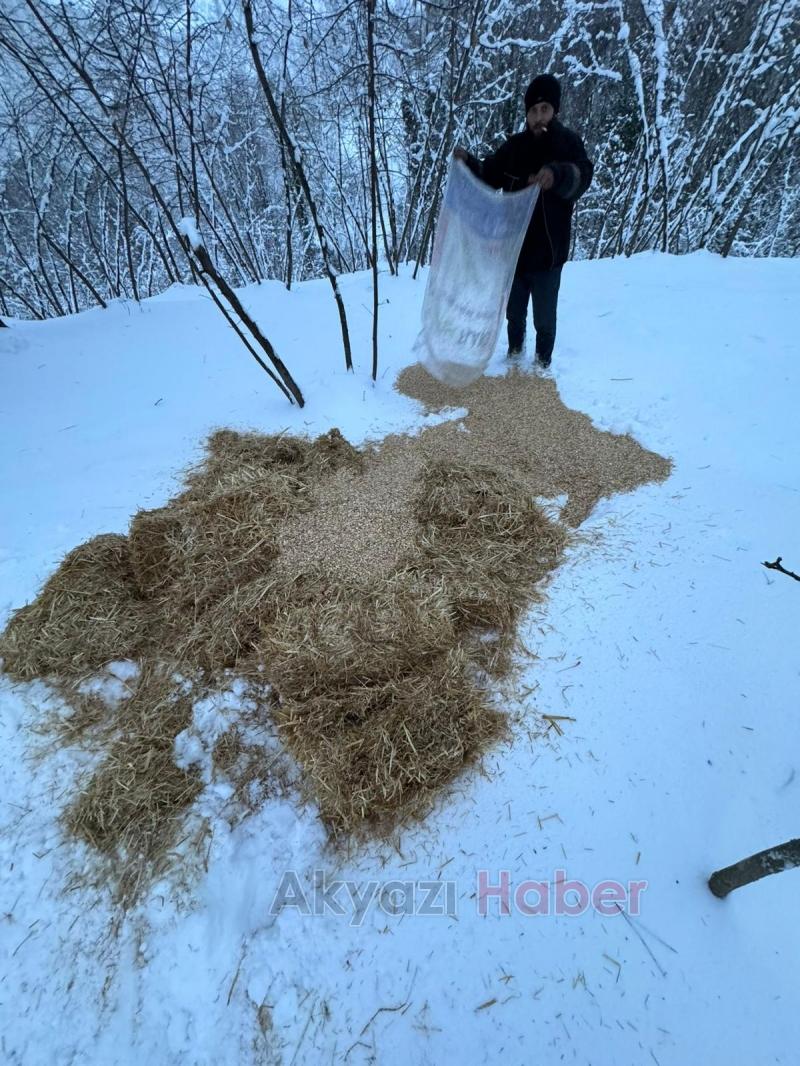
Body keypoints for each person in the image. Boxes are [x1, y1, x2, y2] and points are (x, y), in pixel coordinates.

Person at [454, 74, 593, 369]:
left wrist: (556, 175)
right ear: (526, 114)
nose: (538, 116)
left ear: (554, 110)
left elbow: (582, 176)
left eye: (544, 109)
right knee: (514, 313)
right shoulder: (515, 148)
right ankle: (514, 356)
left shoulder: (568, 144)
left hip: (549, 253)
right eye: (533, 111)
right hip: (515, 250)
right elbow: (490, 174)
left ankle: (542, 364)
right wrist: (468, 162)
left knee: (544, 317)